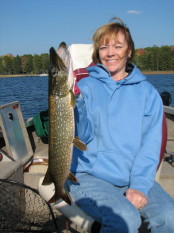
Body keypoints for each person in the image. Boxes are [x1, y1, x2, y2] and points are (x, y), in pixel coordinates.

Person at [66, 17, 174, 233]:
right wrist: (77, 104)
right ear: (98, 53)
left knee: (169, 216)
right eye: (104, 47)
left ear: (129, 51)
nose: (110, 52)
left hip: (133, 176)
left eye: (117, 46)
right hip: (89, 176)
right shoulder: (84, 87)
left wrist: (138, 186)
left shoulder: (148, 93)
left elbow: (150, 145)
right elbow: (82, 136)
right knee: (124, 218)